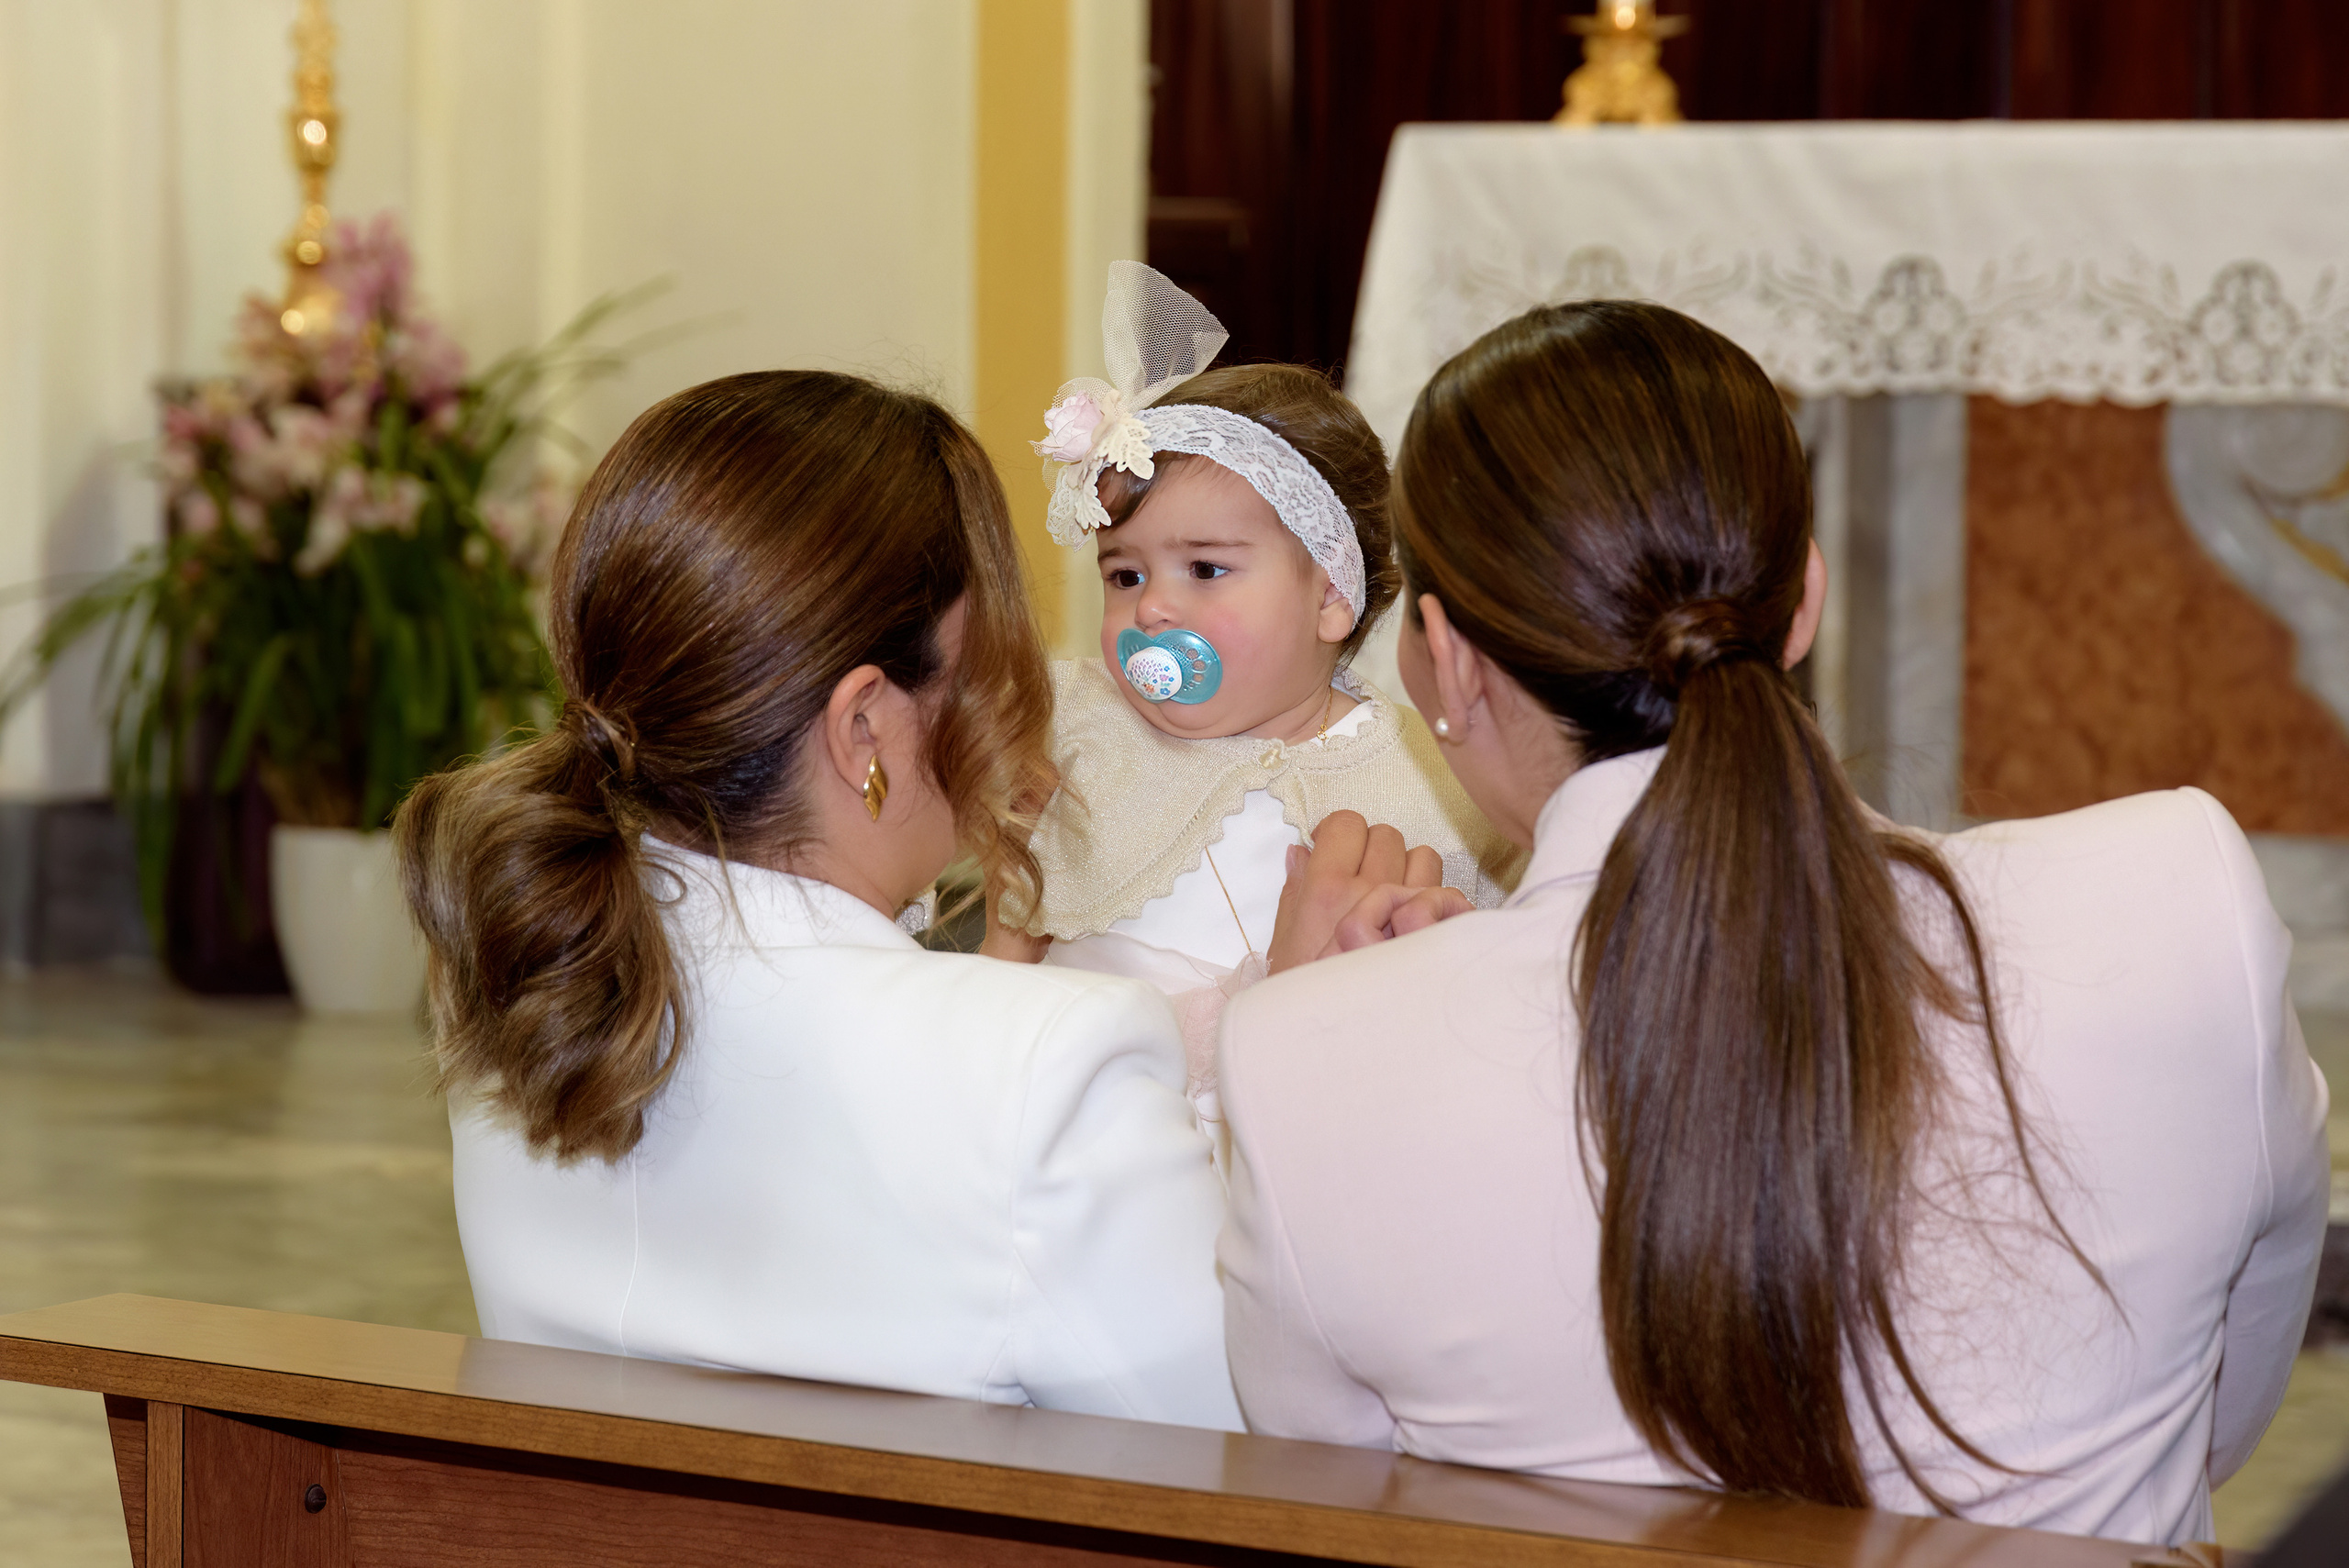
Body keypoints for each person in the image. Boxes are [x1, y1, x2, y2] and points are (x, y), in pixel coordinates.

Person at [1216, 300, 2331, 1543]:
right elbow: (2210, 1416)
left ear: (1445, 662)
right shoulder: (2180, 898)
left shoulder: (1301, 1059)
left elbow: (1330, 1499)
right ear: (1802, 601)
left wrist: (1330, 1019)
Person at [396, 370, 1241, 1430]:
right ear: (863, 730)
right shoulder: (1048, 1069)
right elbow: (1258, 1455)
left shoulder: (528, 975)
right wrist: (1289, 1049)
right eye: (985, 661)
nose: (1009, 701)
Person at [986, 262, 1516, 1116]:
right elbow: (1009, 945)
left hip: (1307, 1137)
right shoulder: (1075, 727)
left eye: (1205, 568)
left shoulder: (1429, 774)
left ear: (1332, 597)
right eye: (1123, 576)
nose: (1153, 606)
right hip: (1079, 1128)